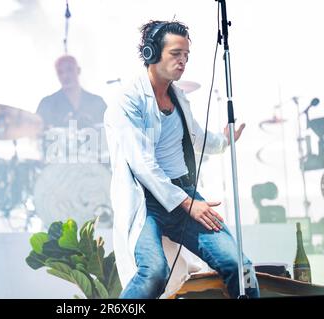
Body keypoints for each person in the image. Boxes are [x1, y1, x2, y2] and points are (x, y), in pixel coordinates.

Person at [104, 20, 260, 299]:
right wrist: (189, 205)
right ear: (152, 53)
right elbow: (142, 164)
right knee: (154, 272)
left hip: (183, 194)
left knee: (239, 266)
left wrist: (225, 139)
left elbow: (196, 137)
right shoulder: (127, 100)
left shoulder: (178, 96)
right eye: (176, 54)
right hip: (147, 201)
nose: (183, 61)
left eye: (186, 55)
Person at [36, 55, 107, 130]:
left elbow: (111, 130)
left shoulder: (97, 102)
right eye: (60, 72)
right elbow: (37, 133)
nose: (65, 76)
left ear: (78, 70)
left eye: (69, 70)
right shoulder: (47, 104)